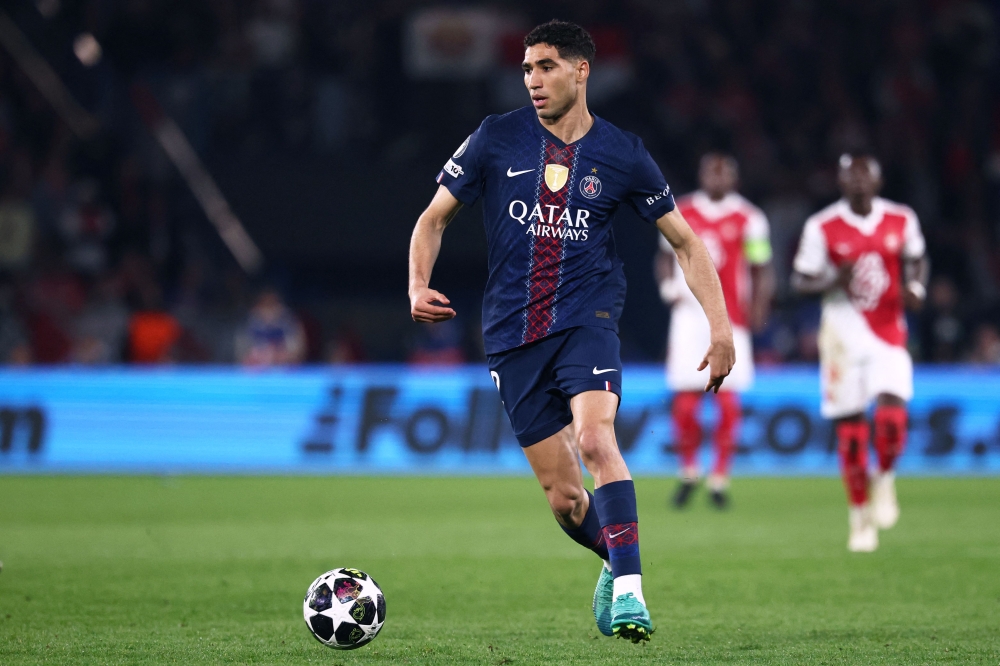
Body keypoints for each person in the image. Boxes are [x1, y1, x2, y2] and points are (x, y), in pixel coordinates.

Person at [407, 20, 734, 643]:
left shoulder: (623, 153)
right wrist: (417, 284)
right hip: (512, 332)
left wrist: (720, 329)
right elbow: (433, 218)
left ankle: (632, 593)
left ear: (582, 71)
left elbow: (688, 245)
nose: (532, 80)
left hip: (589, 317)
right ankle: (616, 557)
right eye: (527, 69)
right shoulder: (496, 137)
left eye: (547, 66)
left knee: (594, 437)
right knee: (565, 499)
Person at [792, 154, 928, 552]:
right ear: (840, 182)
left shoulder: (901, 218)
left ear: (878, 181)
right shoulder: (822, 225)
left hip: (888, 334)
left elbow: (916, 258)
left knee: (891, 419)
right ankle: (859, 516)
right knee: (851, 435)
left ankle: (884, 476)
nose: (858, 182)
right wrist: (833, 279)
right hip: (841, 339)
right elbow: (800, 280)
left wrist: (916, 287)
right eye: (850, 176)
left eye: (865, 175)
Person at [656, 154, 774, 509]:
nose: (717, 179)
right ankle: (689, 470)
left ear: (734, 179)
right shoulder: (681, 210)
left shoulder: (750, 218)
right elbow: (664, 256)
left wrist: (759, 307)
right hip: (689, 317)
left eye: (723, 174)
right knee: (685, 402)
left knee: (728, 401)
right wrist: (668, 288)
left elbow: (761, 267)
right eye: (711, 172)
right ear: (702, 175)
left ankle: (720, 477)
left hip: (729, 318)